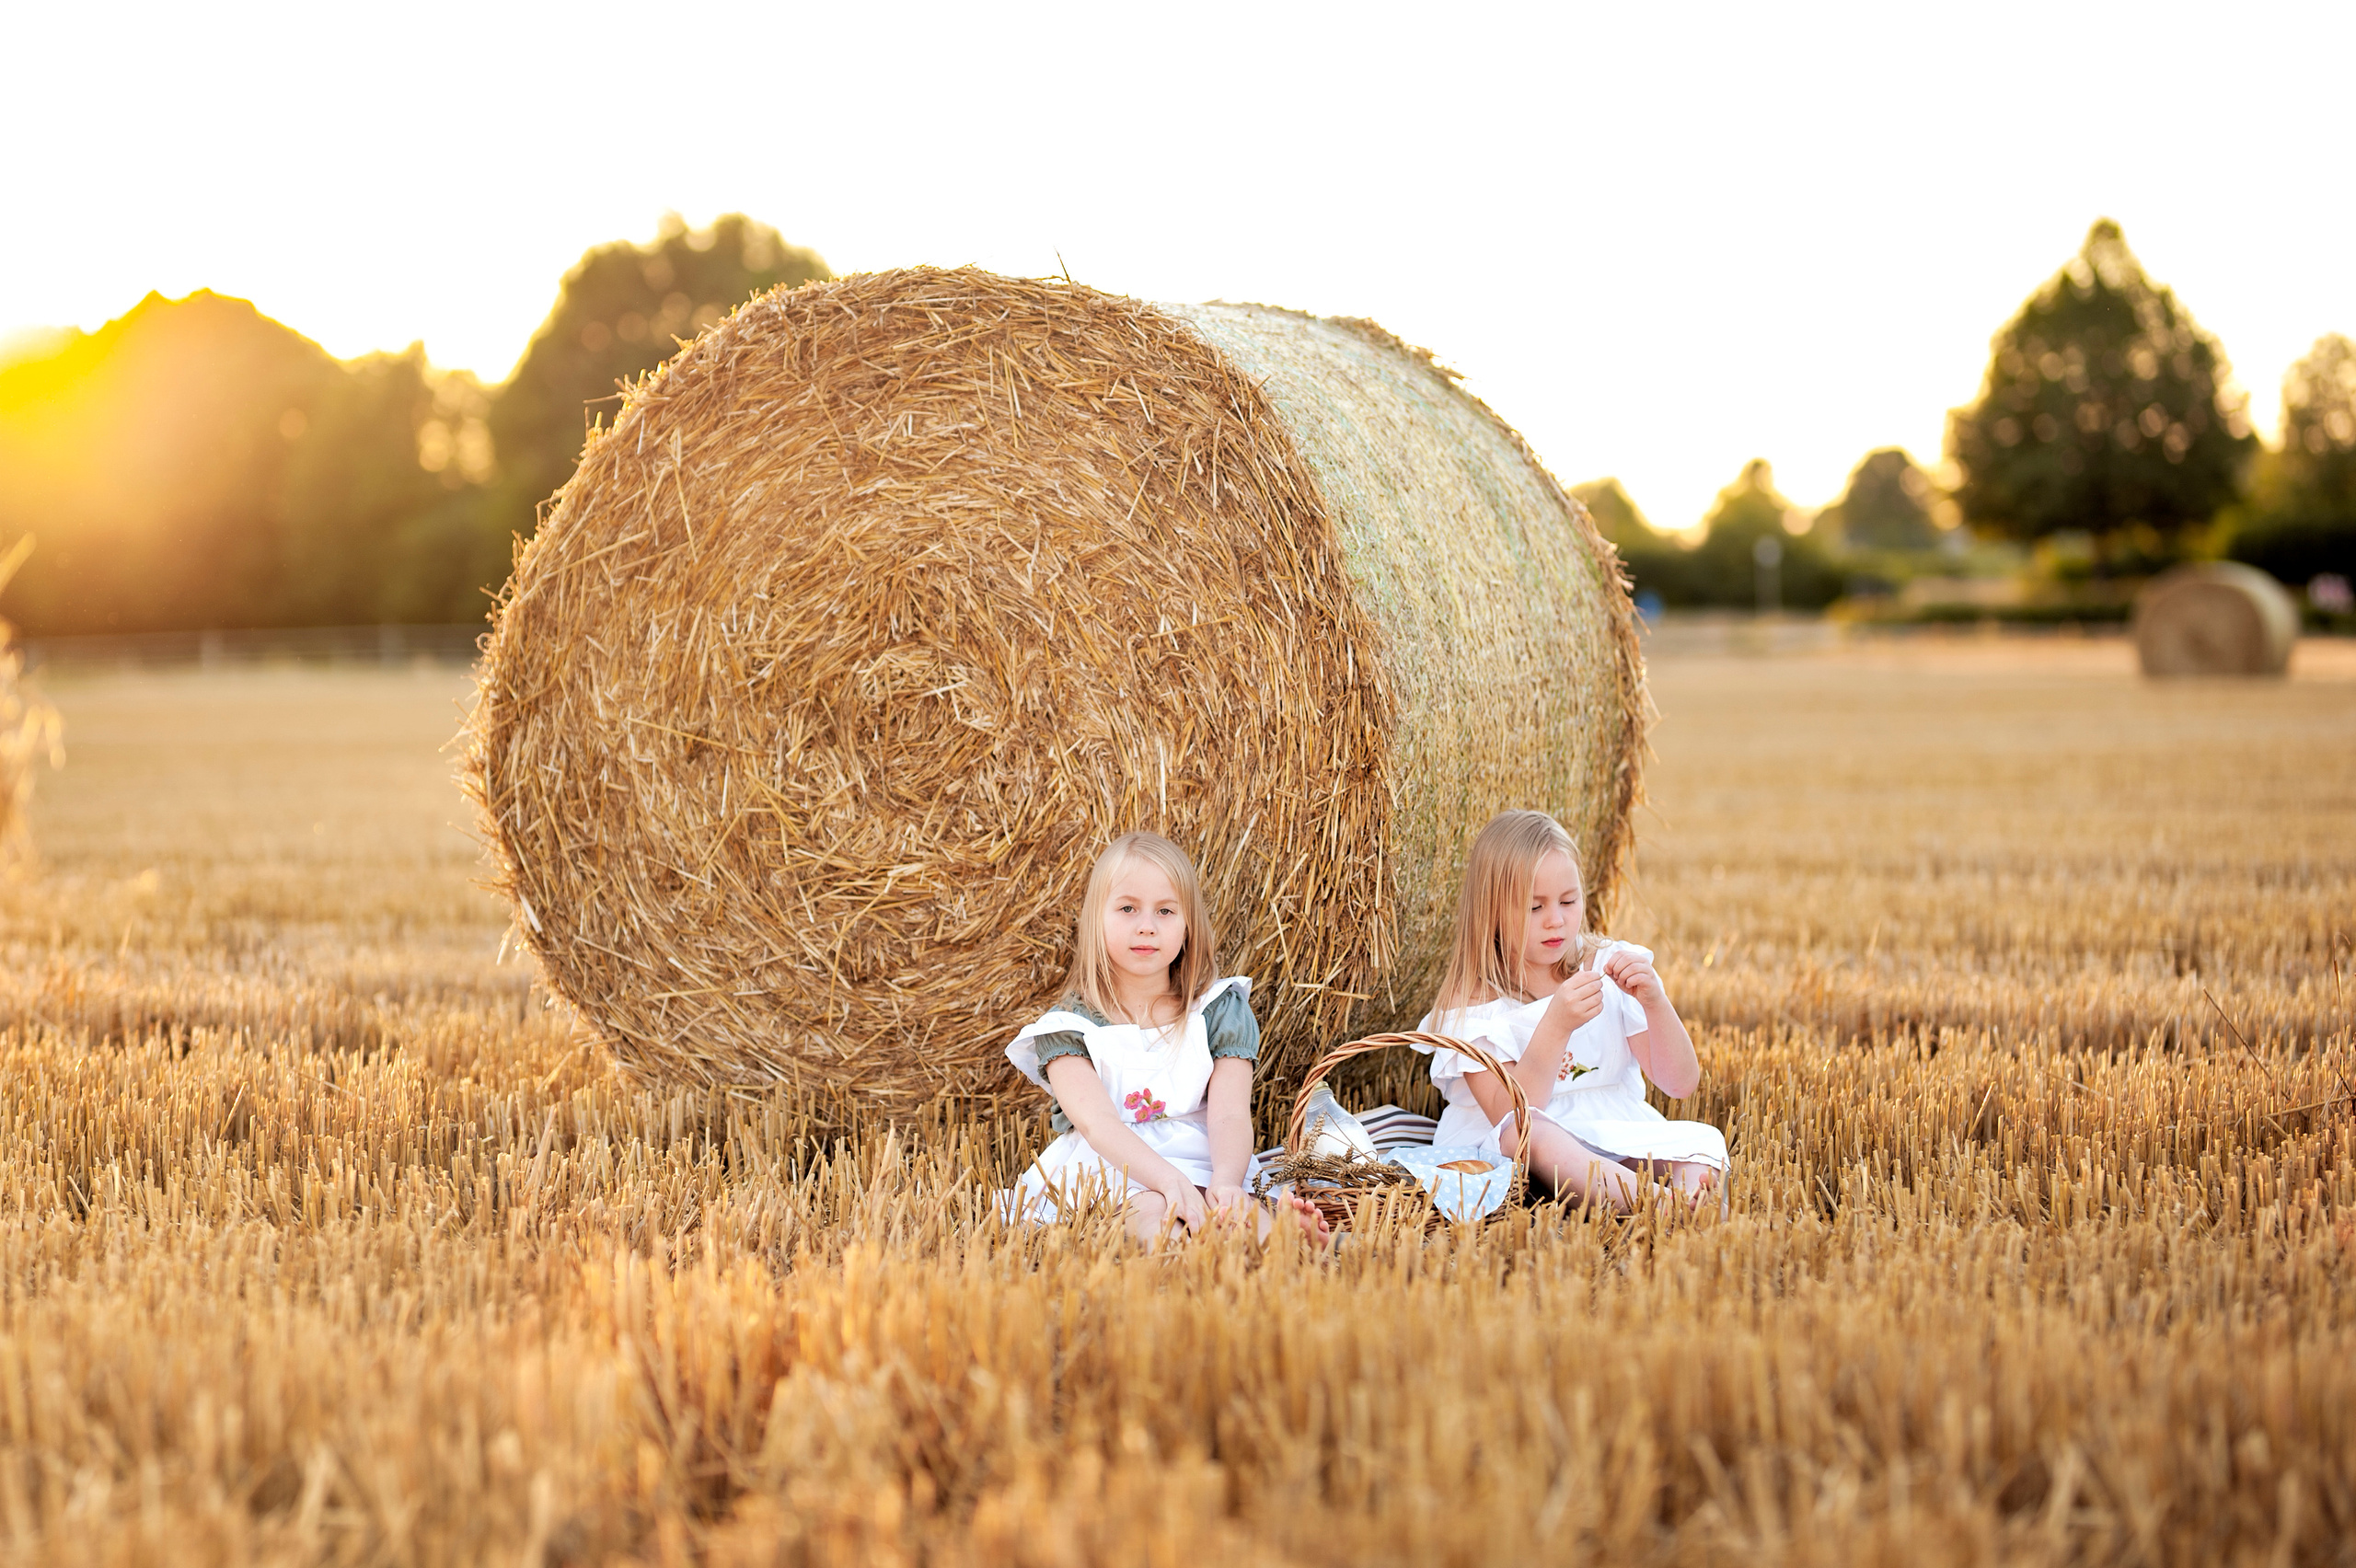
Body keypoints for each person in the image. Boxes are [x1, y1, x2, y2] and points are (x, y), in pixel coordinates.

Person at [1005, 831, 1330, 1247]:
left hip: (1204, 1158)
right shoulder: (1068, 1029)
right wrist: (1168, 1181)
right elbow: (1098, 1125)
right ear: (1095, 920)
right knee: (1152, 1213)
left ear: (1187, 923)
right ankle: (1186, 1264)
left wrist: (1228, 1182)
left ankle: (1286, 1246)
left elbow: (1230, 1115)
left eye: (1165, 911)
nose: (1147, 926)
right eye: (1127, 908)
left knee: (1234, 1210)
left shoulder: (1217, 1010)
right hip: (1114, 1167)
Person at [1415, 810, 1726, 1210]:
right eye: (1534, 908)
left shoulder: (1608, 965)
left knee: (1700, 1154)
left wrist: (1655, 1002)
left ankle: (1688, 1204)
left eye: (1568, 900)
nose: (1556, 921)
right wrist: (1556, 1025)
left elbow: (1680, 1082)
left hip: (1612, 1133)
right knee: (1532, 1134)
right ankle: (1657, 1206)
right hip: (1528, 1153)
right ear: (1490, 912)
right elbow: (1513, 1112)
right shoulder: (1474, 1004)